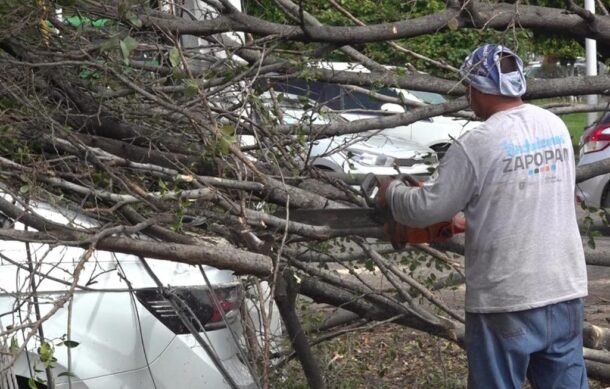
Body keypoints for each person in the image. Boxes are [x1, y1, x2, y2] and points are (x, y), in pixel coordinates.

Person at [378, 44, 589, 388]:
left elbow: (425, 209)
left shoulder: (479, 142)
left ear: (477, 87)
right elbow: (535, 195)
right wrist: (473, 220)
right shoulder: (554, 126)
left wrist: (392, 193)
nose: (468, 95)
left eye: (468, 87)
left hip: (506, 300)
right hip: (564, 291)